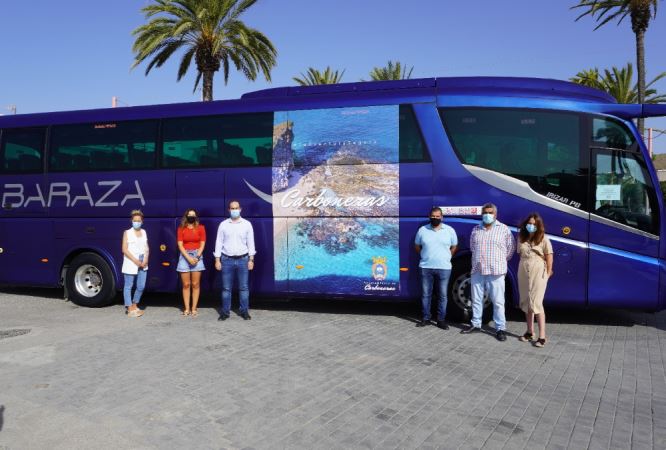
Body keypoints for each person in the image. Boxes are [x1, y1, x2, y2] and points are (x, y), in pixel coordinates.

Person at [461, 203, 515, 341]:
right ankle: (476, 324)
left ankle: (500, 328)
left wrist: (499, 261)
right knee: (476, 299)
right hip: (478, 269)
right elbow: (473, 248)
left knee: (498, 301)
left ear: (495, 214)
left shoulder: (503, 229)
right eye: (485, 212)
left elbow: (510, 250)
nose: (487, 215)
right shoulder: (476, 229)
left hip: (496, 271)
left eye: (490, 212)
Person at [414, 207, 458, 329]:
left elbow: (454, 246)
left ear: (442, 217)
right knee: (425, 294)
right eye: (433, 216)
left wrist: (448, 256)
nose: (435, 218)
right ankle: (426, 318)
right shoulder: (422, 230)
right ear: (429, 216)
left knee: (443, 295)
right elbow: (417, 246)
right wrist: (424, 256)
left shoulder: (449, 230)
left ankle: (441, 320)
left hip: (444, 268)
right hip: (425, 267)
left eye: (437, 216)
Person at [214, 200, 256, 321]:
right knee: (226, 288)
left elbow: (251, 243)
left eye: (236, 208)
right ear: (229, 210)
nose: (234, 210)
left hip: (243, 259)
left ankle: (244, 311)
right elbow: (218, 242)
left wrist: (251, 259)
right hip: (226, 260)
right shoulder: (223, 225)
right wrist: (217, 260)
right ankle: (225, 312)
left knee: (244, 287)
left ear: (240, 209)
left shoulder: (247, 224)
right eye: (232, 208)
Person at [517, 213, 553, 348]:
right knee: (527, 301)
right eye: (529, 223)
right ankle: (529, 331)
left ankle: (542, 336)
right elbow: (519, 253)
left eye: (534, 224)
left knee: (537, 302)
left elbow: (549, 256)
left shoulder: (544, 239)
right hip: (523, 270)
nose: (531, 226)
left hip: (538, 271)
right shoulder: (521, 238)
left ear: (538, 226)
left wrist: (548, 273)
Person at [177, 208, 206, 317]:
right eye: (189, 215)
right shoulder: (181, 229)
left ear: (196, 217)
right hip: (184, 256)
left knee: (195, 284)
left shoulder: (201, 228)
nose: (191, 217)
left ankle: (194, 308)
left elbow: (203, 243)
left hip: (197, 255)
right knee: (186, 284)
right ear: (186, 216)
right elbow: (180, 244)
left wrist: (197, 256)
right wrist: (188, 258)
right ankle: (187, 308)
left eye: (193, 215)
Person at [121, 210, 149, 318]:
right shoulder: (127, 232)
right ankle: (129, 308)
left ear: (142, 221)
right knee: (128, 285)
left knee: (141, 285)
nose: (137, 222)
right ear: (131, 221)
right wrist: (135, 260)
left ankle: (135, 304)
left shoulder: (144, 232)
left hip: (143, 260)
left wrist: (146, 259)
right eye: (135, 220)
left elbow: (146, 247)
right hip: (131, 260)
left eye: (139, 220)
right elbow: (124, 249)